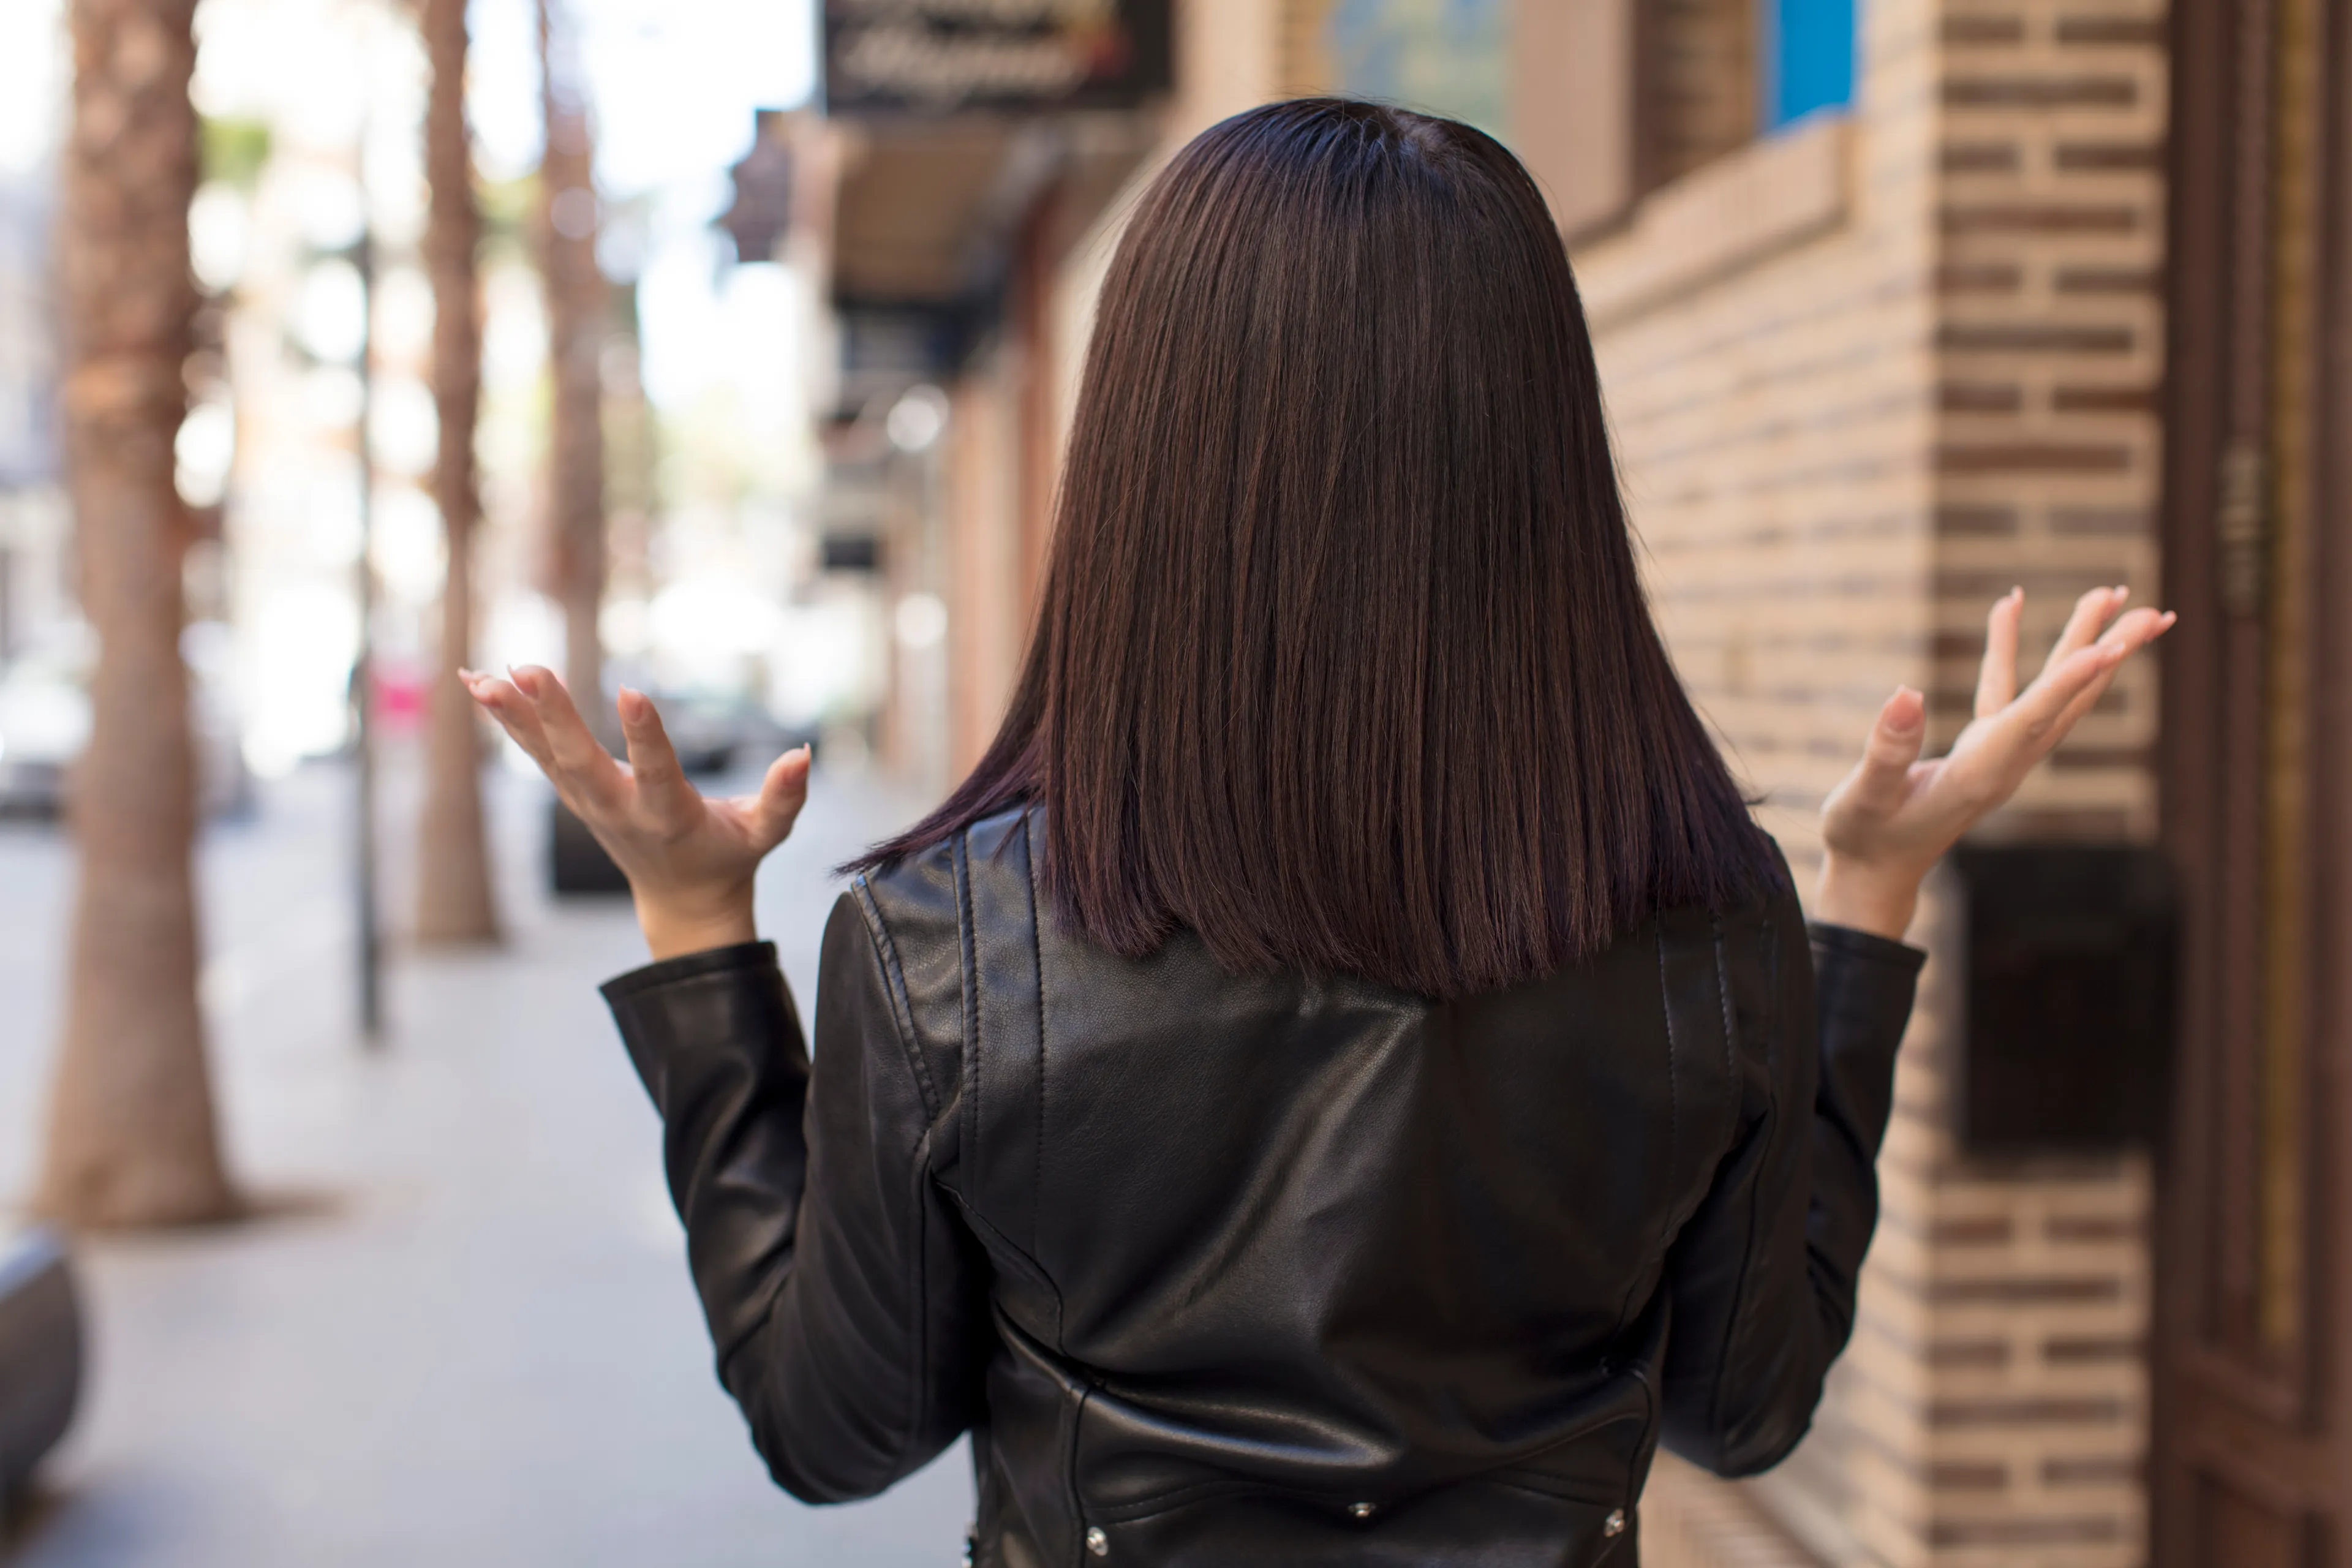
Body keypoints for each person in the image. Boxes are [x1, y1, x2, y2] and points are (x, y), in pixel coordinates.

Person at [464, 99, 2170, 1567]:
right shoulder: (1706, 934)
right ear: (1544, 465)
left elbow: (831, 1433)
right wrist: (1864, 902)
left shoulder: (948, 950)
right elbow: (1748, 1410)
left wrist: (699, 936)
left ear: (1142, 462)